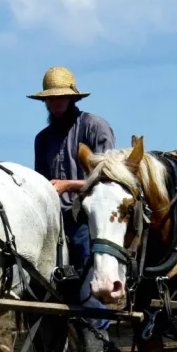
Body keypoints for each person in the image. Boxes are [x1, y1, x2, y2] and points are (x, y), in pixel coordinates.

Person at [31, 66, 115, 278]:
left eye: (61, 98)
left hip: (88, 217)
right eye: (51, 100)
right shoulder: (42, 139)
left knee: (87, 274)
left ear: (72, 99)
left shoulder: (95, 127)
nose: (55, 104)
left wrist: (68, 185)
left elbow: (107, 178)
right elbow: (41, 181)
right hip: (55, 220)